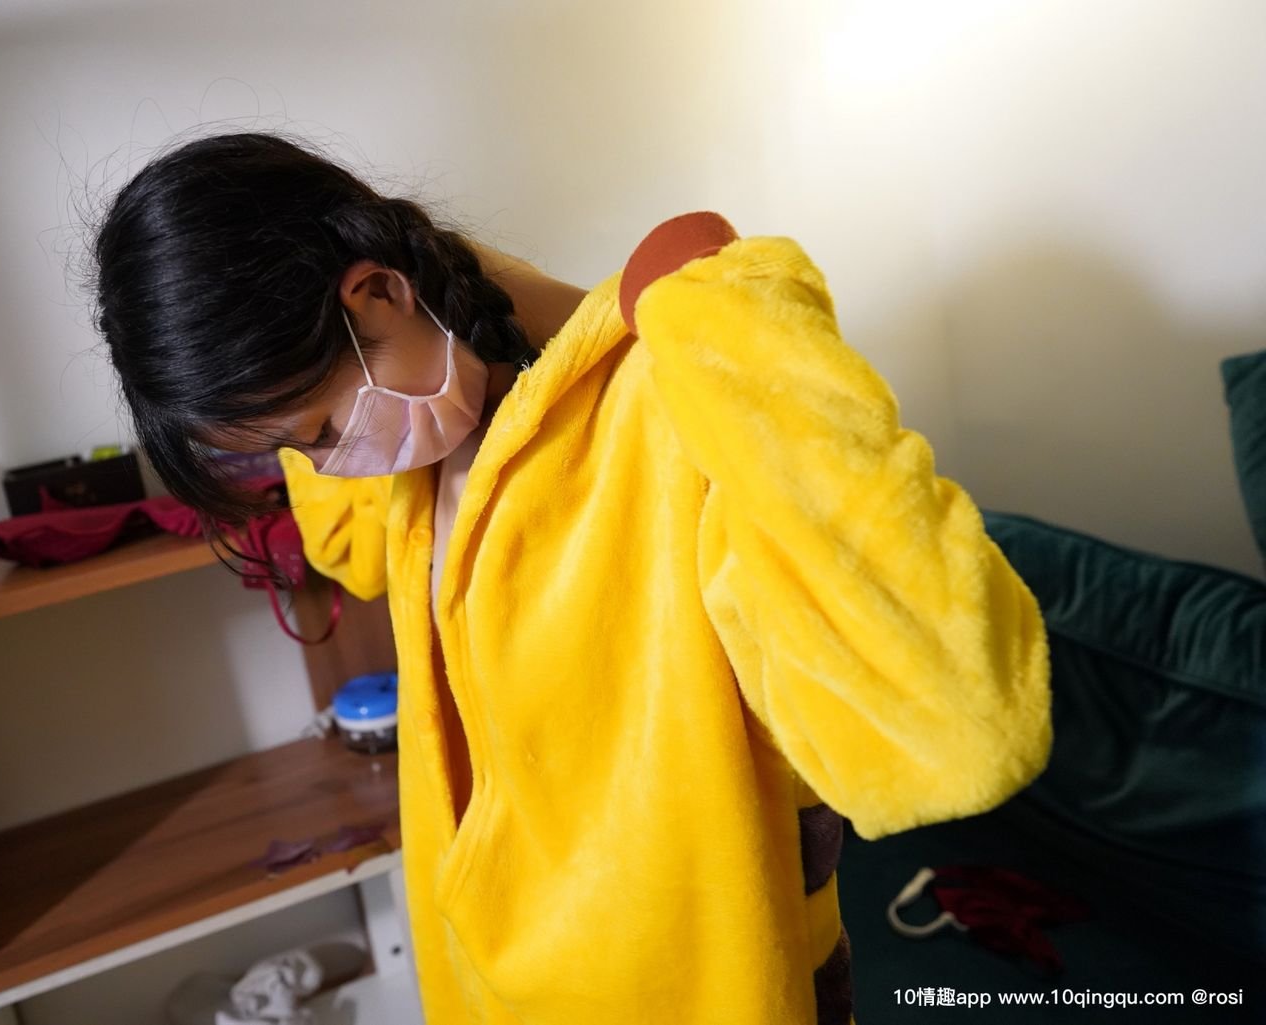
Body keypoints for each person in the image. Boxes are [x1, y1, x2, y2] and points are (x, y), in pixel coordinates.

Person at [92, 131, 1054, 1025]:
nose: (331, 466)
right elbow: (343, 545)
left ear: (378, 295)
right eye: (295, 452)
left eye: (320, 433)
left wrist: (733, 320)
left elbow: (957, 729)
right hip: (488, 989)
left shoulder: (670, 411)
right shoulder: (418, 449)